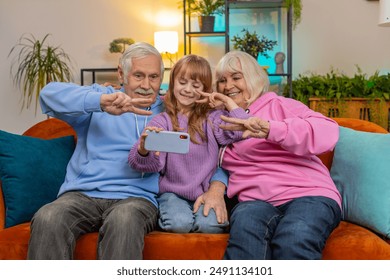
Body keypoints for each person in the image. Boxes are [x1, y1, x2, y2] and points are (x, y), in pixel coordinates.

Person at [27, 42, 166, 260]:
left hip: (136, 198)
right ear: (122, 74)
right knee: (49, 216)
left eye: (154, 77)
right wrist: (100, 102)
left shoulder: (169, 109)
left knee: (124, 219)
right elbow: (48, 95)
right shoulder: (101, 98)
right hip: (82, 195)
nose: (146, 85)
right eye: (138, 75)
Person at [202, 50, 342, 260]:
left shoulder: (278, 105)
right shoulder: (218, 122)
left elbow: (328, 132)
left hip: (308, 194)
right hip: (254, 202)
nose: (228, 85)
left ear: (253, 79)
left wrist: (270, 129)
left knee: (293, 239)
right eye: (222, 80)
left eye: (236, 77)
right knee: (244, 248)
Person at [128, 54, 247, 234]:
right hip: (172, 194)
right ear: (173, 82)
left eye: (196, 85)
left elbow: (239, 131)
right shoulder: (162, 121)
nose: (188, 90)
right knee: (179, 223)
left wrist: (227, 103)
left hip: (206, 192)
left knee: (210, 226)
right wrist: (144, 150)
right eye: (182, 82)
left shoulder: (213, 118)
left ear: (205, 89)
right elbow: (147, 164)